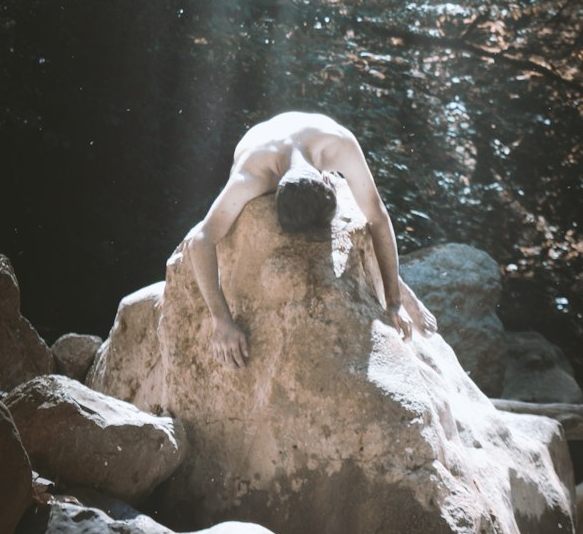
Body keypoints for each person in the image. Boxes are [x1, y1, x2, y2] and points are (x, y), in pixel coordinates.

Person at [183, 111, 437, 366]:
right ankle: (391, 277)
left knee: (362, 215)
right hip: (263, 147)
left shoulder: (338, 144)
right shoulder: (251, 178)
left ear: (326, 181)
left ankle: (395, 282)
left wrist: (393, 301)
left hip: (308, 153)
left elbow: (378, 216)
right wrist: (221, 320)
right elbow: (201, 240)